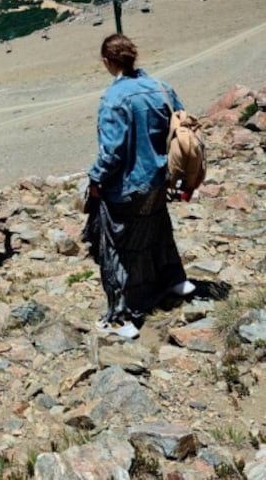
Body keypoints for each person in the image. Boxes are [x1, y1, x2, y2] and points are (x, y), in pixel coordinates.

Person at [86, 34, 195, 339]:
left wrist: (95, 179)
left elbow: (112, 151)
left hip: (128, 185)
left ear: (107, 62)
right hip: (161, 178)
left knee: (116, 248)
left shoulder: (114, 98)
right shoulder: (162, 87)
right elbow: (179, 126)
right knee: (158, 226)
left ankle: (122, 318)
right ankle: (175, 280)